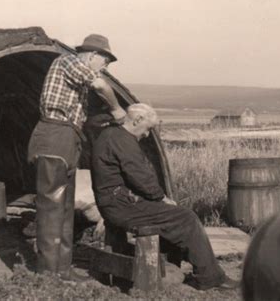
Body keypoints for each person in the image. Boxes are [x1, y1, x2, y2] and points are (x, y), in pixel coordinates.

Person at [91, 103, 238, 290]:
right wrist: (161, 198)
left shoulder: (111, 135)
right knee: (186, 218)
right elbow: (139, 176)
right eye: (148, 129)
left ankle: (170, 267)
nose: (146, 135)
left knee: (171, 215)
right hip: (121, 205)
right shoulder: (122, 139)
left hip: (116, 202)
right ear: (137, 120)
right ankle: (210, 278)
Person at [27, 34, 126, 282]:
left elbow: (80, 116)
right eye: (105, 61)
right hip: (53, 136)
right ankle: (48, 275)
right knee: (52, 207)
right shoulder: (68, 61)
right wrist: (117, 110)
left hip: (69, 138)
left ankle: (62, 268)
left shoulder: (76, 83)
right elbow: (102, 87)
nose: (105, 68)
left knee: (65, 208)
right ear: (92, 55)